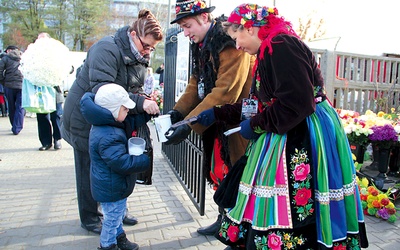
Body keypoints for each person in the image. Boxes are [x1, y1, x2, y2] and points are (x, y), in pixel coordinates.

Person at [193, 4, 369, 249]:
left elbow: (297, 103)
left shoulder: (280, 46)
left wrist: (253, 126)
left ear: (251, 28)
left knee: (299, 200)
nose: (238, 46)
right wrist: (218, 113)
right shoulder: (268, 50)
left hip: (304, 132)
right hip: (287, 127)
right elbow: (261, 103)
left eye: (237, 38)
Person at [61, 9, 163, 234]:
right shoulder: (106, 49)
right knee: (90, 169)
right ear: (133, 34)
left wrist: (144, 98)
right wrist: (139, 102)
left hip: (115, 118)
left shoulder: (138, 56)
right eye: (146, 46)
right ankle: (90, 217)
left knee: (116, 167)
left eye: (152, 48)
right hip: (86, 119)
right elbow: (103, 90)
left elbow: (131, 87)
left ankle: (116, 209)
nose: (148, 52)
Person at [165, 0, 254, 237]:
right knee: (219, 172)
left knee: (238, 174)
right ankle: (224, 219)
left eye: (187, 26)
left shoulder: (229, 42)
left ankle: (240, 228)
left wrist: (189, 123)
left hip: (237, 122)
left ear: (204, 18)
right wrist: (178, 112)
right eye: (182, 27)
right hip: (216, 119)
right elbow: (196, 82)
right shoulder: (203, 44)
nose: (185, 33)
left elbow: (227, 91)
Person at [80, 84, 150, 250]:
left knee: (115, 216)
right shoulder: (109, 135)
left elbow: (129, 122)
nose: (127, 113)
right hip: (111, 188)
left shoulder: (106, 124)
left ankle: (120, 239)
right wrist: (143, 160)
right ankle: (107, 245)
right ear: (113, 110)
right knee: (111, 220)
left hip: (110, 185)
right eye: (125, 109)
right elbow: (121, 163)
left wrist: (147, 114)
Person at [35, 32, 64, 151]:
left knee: (56, 115)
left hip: (55, 90)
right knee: (42, 117)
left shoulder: (57, 53)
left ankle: (57, 139)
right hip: (40, 91)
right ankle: (46, 142)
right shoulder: (34, 55)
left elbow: (69, 67)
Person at [0, 45, 24, 135]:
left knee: (11, 106)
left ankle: (14, 125)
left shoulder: (5, 58)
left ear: (9, 50)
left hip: (9, 85)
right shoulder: (23, 58)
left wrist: (3, 81)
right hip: (22, 85)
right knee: (20, 106)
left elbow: (0, 71)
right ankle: (17, 127)